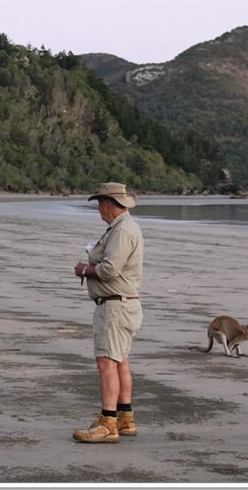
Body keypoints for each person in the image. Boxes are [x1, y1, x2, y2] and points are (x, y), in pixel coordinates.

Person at [72, 182, 145, 443]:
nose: (99, 210)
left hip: (115, 306)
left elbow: (109, 269)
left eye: (100, 205)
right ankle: (124, 418)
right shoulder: (124, 228)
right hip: (123, 304)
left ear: (106, 203)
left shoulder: (123, 230)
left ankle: (108, 423)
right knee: (120, 360)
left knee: (106, 363)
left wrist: (84, 270)